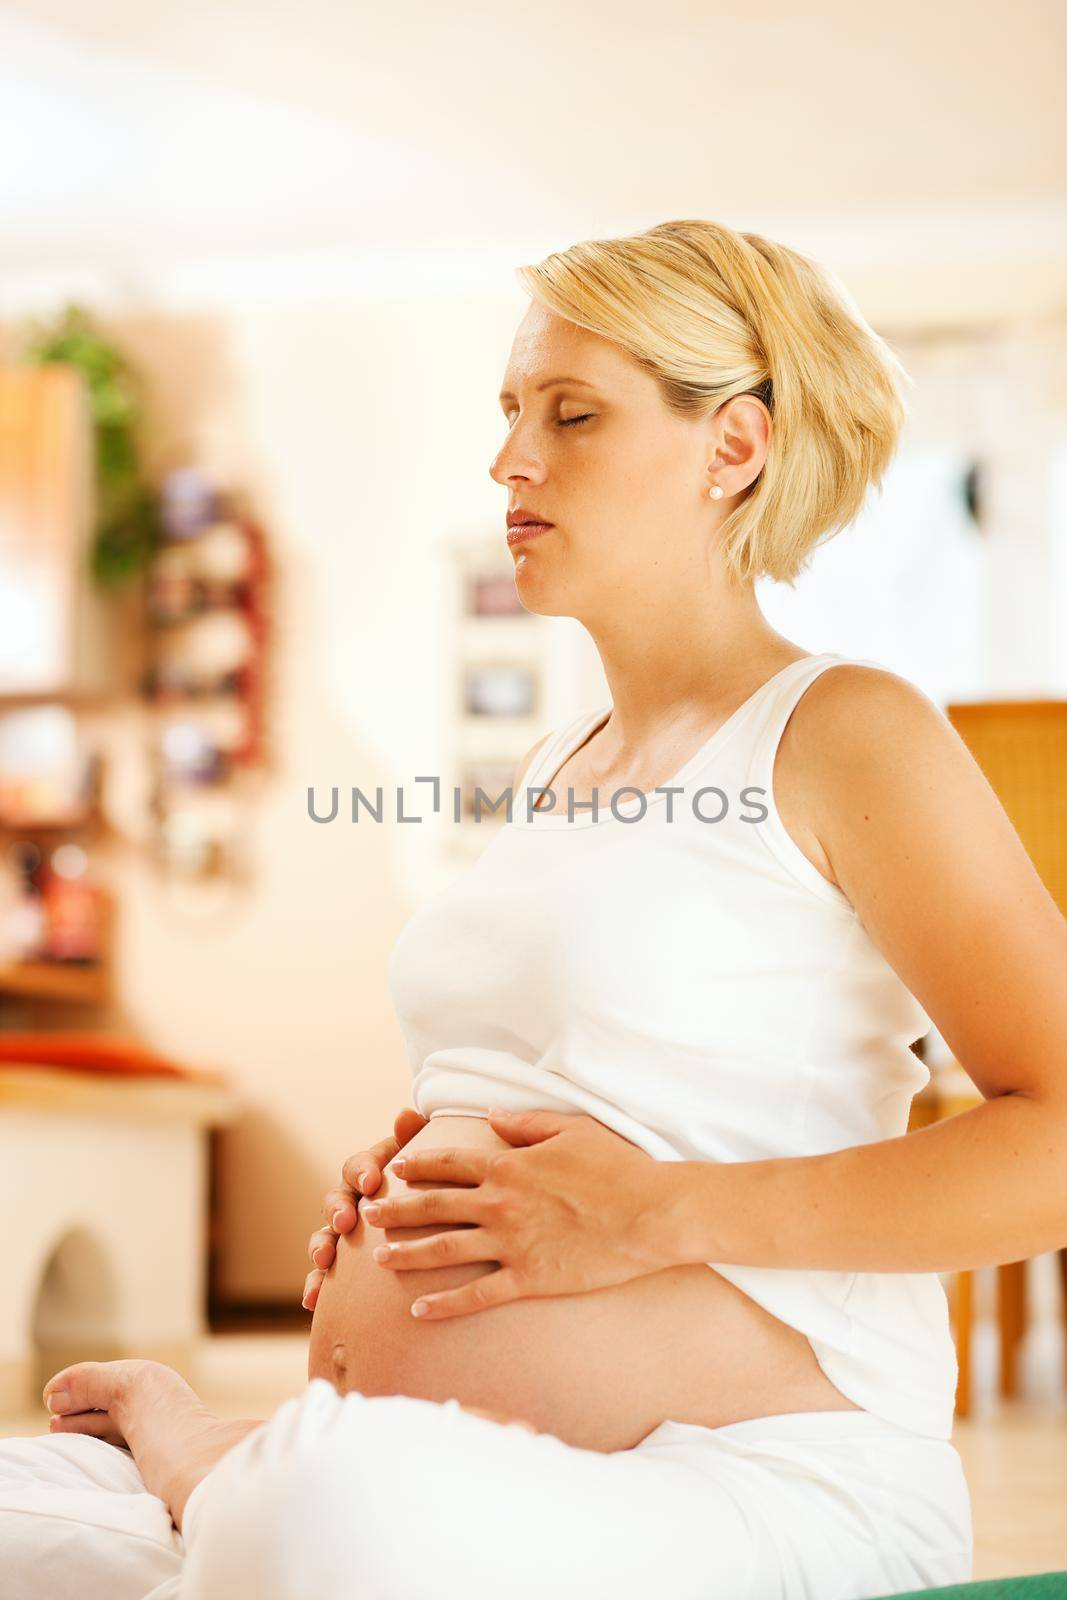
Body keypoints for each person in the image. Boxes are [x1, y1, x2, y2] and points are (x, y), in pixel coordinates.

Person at [6, 217, 1067, 1599]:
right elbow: (597, 1077)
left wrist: (655, 1216)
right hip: (451, 1459)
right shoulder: (561, 765)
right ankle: (245, 1479)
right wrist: (410, 1177)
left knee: (326, 1522)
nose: (512, 458)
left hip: (759, 1477)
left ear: (731, 448)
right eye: (512, 413)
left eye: (572, 415)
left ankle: (216, 1465)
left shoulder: (849, 729)